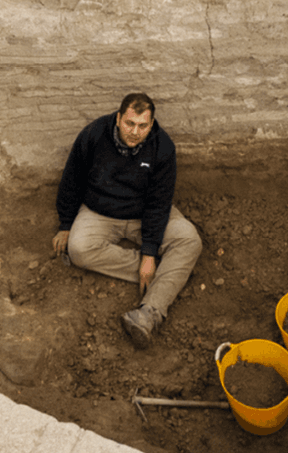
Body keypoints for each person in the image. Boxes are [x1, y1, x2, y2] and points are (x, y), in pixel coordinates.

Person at [52, 92, 201, 349]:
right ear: (119, 118)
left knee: (189, 240)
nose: (135, 132)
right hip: (100, 212)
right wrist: (66, 224)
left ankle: (149, 313)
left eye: (143, 126)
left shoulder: (163, 147)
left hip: (145, 214)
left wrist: (149, 251)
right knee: (78, 249)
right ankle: (169, 274)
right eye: (130, 124)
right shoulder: (94, 135)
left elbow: (158, 203)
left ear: (151, 124)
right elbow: (72, 180)